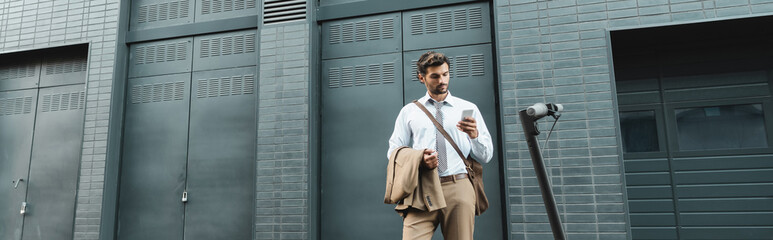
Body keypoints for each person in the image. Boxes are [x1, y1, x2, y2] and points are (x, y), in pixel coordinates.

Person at [387, 51, 493, 240]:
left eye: (445, 74)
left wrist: (474, 136)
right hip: (423, 187)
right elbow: (394, 152)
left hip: (459, 185)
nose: (442, 80)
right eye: (435, 76)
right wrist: (419, 160)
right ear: (422, 78)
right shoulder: (409, 112)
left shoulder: (467, 108)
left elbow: (485, 156)